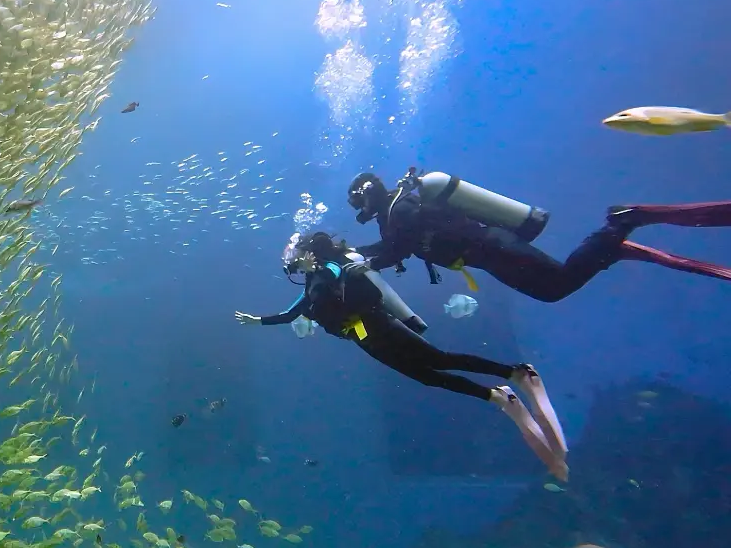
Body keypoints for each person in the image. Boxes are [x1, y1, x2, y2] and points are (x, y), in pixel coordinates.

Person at [234, 231, 568, 480]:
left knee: (439, 359)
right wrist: (259, 321)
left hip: (379, 324)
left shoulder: (331, 270)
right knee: (427, 377)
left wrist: (318, 264)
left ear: (309, 252)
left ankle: (517, 373)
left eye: (297, 253)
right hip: (362, 337)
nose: (292, 259)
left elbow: (339, 277)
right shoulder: (310, 284)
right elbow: (291, 314)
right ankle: (497, 396)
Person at [348, 168, 731, 302]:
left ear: (367, 197)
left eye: (358, 205)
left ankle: (621, 223)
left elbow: (396, 248)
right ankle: (609, 247)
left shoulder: (402, 209)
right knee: (551, 292)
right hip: (486, 257)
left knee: (559, 283)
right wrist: (357, 253)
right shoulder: (394, 213)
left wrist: (358, 259)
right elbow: (393, 246)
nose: (360, 213)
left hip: (492, 246)